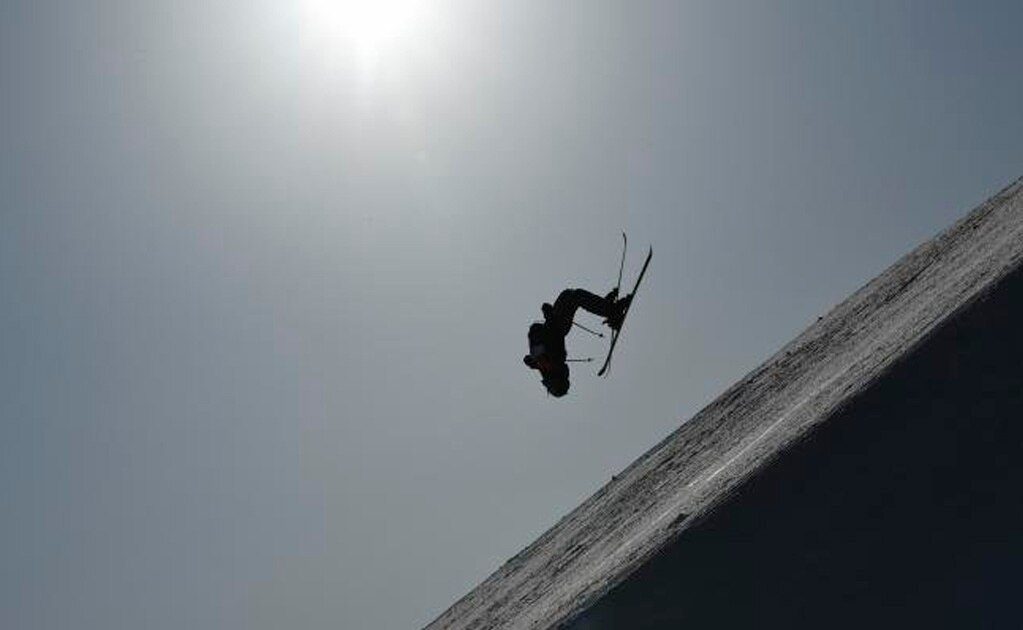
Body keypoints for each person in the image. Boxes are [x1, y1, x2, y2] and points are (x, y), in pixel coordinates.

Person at [523, 287, 631, 397]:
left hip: (555, 326)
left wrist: (533, 362)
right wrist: (549, 316)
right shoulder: (553, 359)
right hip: (558, 325)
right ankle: (611, 310)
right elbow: (553, 335)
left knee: (569, 295)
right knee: (575, 296)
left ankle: (606, 307)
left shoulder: (544, 362)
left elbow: (541, 349)